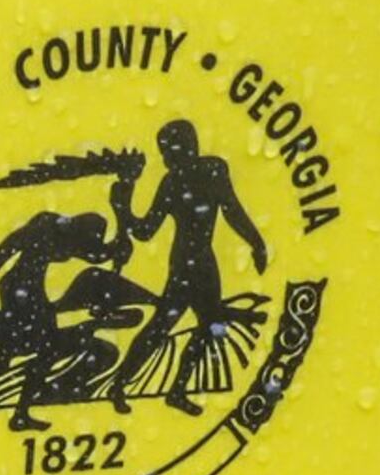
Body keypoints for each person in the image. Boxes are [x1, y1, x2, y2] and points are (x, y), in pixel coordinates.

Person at [108, 120, 268, 415]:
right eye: (164, 153)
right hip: (188, 264)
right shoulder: (179, 179)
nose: (166, 159)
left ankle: (170, 390)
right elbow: (146, 231)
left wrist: (123, 208)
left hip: (198, 262)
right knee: (166, 326)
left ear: (187, 145)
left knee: (200, 326)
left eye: (168, 151)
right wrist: (123, 208)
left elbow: (231, 209)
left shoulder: (205, 172)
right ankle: (123, 386)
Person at [0, 208, 133, 431]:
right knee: (35, 351)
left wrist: (118, 247)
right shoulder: (46, 226)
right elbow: (11, 244)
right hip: (20, 292)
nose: (93, 242)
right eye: (93, 238)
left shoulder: (66, 234)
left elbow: (95, 253)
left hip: (28, 291)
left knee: (20, 353)